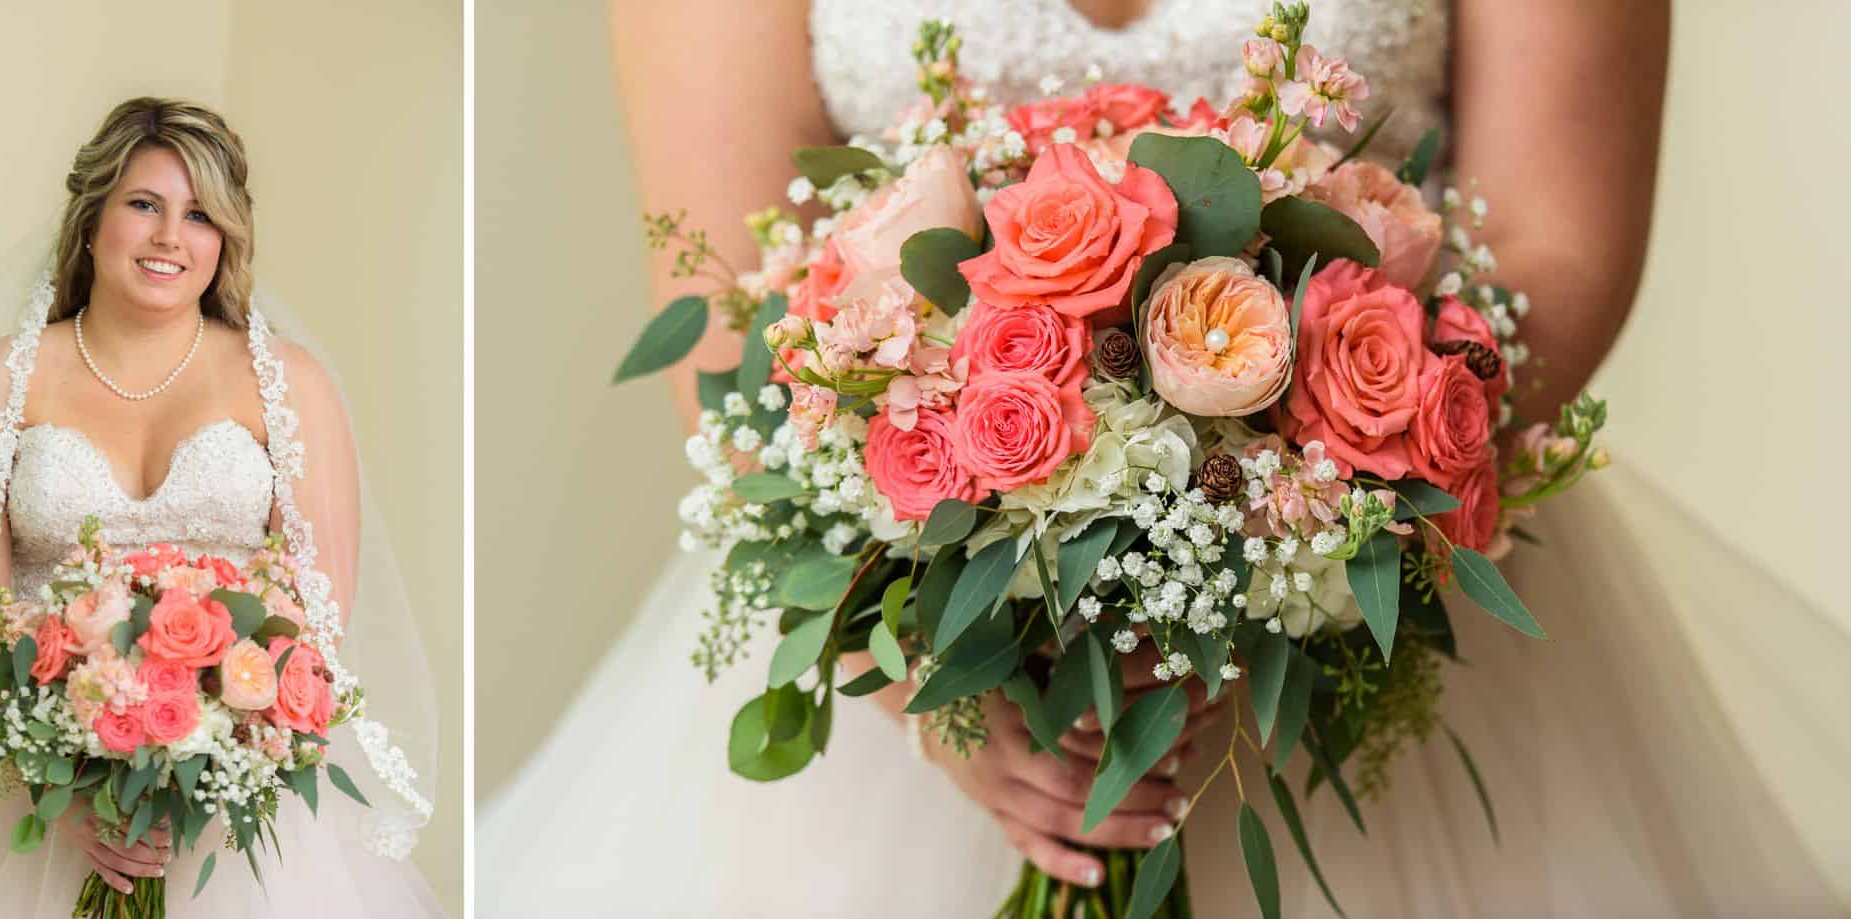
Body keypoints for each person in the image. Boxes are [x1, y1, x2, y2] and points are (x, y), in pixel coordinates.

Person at [488, 1, 1846, 914]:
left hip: (1378, 592)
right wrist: (926, 675)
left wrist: (1297, 517)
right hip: (909, 635)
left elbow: (1559, 242)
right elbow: (738, 300)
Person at [0, 97, 443, 916]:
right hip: (33, 804)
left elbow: (317, 617)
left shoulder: (291, 384)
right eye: (145, 204)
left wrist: (212, 767)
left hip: (236, 809)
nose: (172, 236)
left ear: (226, 240)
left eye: (201, 214)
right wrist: (58, 795)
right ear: (93, 221)